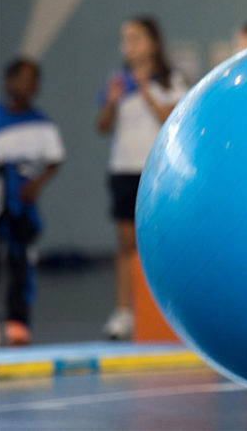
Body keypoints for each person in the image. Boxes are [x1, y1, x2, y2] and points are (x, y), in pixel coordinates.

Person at [95, 17, 188, 340]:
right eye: (124, 39)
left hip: (158, 172)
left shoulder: (171, 78)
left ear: (153, 42)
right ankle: (123, 313)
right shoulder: (117, 80)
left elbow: (172, 118)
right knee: (125, 243)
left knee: (164, 242)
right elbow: (102, 126)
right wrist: (110, 100)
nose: (128, 45)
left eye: (135, 38)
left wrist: (147, 90)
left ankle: (169, 311)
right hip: (123, 168)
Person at [0, 58, 64, 346]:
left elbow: (54, 160)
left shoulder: (42, 125)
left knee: (21, 261)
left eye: (34, 79)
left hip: (22, 207)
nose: (28, 85)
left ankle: (18, 322)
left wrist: (36, 185)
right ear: (9, 82)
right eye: (23, 78)